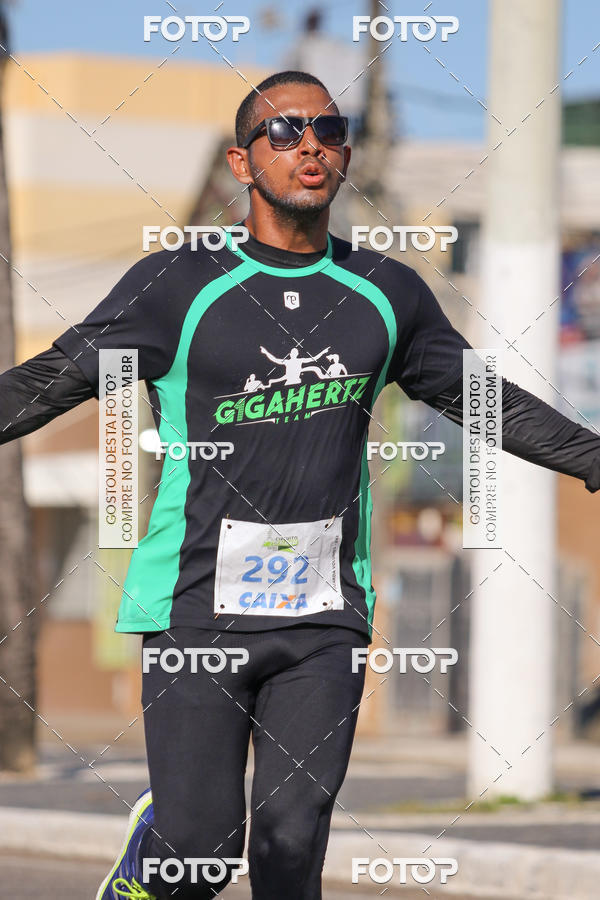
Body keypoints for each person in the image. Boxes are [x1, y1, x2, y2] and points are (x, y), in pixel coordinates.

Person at [1, 71, 599, 900]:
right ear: (244, 164)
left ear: (345, 152)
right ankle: (152, 860)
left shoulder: (387, 294)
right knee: (202, 851)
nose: (308, 144)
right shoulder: (178, 288)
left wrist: (593, 458)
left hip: (324, 615)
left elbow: (484, 401)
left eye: (327, 127)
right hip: (195, 606)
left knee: (292, 845)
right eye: (283, 133)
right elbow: (49, 382)